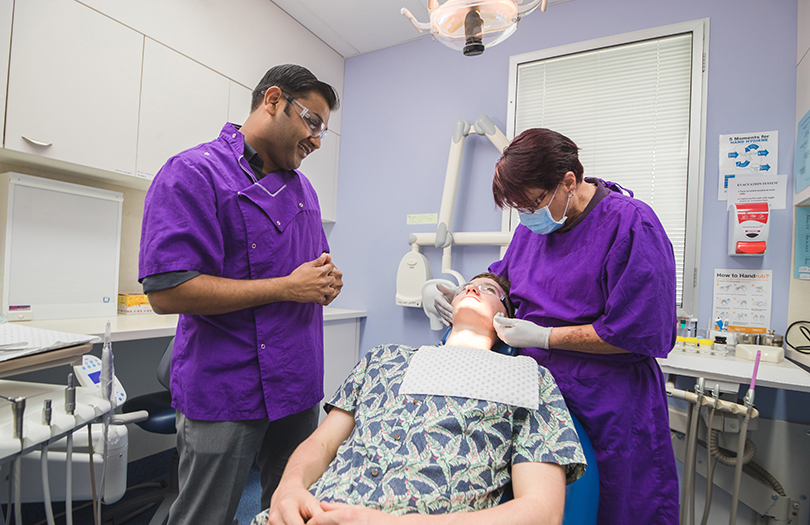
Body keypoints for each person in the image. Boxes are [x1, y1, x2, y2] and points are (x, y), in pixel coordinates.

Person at [435, 128, 678, 524]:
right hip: (539, 399)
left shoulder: (631, 225)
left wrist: (545, 337)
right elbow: (507, 281)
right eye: (518, 208)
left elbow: (640, 332)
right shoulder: (532, 229)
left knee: (616, 509)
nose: (527, 216)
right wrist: (475, 287)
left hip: (610, 407)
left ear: (569, 180)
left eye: (533, 203)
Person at [138, 64, 343, 525]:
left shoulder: (305, 190)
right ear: (272, 100)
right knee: (203, 515)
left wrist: (325, 283)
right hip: (226, 385)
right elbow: (168, 291)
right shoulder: (192, 173)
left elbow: (316, 266)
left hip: (297, 379)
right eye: (311, 122)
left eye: (322, 132)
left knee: (292, 510)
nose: (315, 139)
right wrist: (289, 287)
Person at [255, 272, 587, 525]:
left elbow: (541, 511)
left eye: (491, 291)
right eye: (467, 286)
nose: (472, 288)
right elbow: (323, 443)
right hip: (312, 512)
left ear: (507, 316)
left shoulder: (528, 379)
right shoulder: (385, 359)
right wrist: (289, 487)